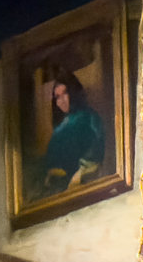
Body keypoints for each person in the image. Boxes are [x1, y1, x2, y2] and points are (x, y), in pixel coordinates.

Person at [32, 69, 108, 199]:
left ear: (74, 93)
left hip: (78, 182)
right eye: (57, 97)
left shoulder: (90, 117)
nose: (62, 100)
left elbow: (95, 152)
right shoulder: (60, 126)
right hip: (55, 183)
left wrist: (79, 174)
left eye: (65, 94)